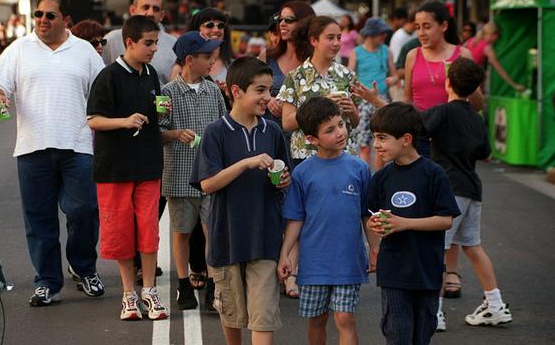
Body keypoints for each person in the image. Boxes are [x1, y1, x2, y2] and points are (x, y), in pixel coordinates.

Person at [0, 0, 105, 306]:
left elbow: (103, 92)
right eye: (38, 14)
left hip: (78, 146)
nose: (41, 20)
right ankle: (48, 282)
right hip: (32, 148)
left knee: (84, 211)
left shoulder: (85, 52)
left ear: (66, 20)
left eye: (49, 15)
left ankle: (83, 269)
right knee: (39, 220)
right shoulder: (18, 49)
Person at [190, 56, 291, 345]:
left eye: (269, 90)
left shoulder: (272, 131)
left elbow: (286, 176)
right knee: (231, 318)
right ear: (236, 91)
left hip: (265, 239)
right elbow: (207, 184)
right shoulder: (215, 132)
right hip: (227, 239)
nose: (267, 98)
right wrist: (246, 163)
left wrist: (284, 180)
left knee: (264, 318)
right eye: (260, 90)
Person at [86, 15, 169, 321]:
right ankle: (128, 294)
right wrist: (124, 120)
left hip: (147, 164)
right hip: (114, 168)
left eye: (156, 43)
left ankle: (149, 290)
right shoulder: (108, 76)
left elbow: (155, 112)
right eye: (148, 43)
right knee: (121, 233)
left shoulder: (151, 75)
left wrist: (162, 109)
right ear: (130, 42)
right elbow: (93, 119)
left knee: (148, 230)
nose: (153, 49)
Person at [278, 96, 378, 345]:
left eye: (341, 124)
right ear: (312, 139)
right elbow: (295, 218)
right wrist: (285, 254)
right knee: (317, 319)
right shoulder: (302, 173)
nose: (340, 133)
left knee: (345, 319)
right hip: (314, 263)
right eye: (330, 130)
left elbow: (367, 213)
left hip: (348, 260)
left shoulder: (360, 168)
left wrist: (375, 248)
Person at [422, 57, 512, 331]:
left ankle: (434, 312)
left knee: (437, 248)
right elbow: (486, 154)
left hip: (448, 189)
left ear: (448, 82)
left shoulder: (443, 112)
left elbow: (416, 127)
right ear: (475, 89)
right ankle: (495, 304)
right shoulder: (476, 117)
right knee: (473, 246)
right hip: (472, 188)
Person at [366, 102, 460, 345]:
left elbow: (446, 219)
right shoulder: (382, 178)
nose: (376, 145)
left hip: (427, 271)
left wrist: (404, 223)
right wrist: (375, 231)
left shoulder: (434, 174)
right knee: (398, 335)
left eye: (382, 138)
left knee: (422, 336)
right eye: (375, 137)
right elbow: (369, 216)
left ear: (406, 139)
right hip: (394, 272)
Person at [160, 31, 226, 311]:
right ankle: (184, 284)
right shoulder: (166, 93)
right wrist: (175, 134)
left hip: (211, 176)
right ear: (190, 60)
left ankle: (213, 286)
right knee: (181, 231)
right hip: (179, 176)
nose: (213, 61)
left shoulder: (214, 91)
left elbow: (225, 127)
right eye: (207, 57)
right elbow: (158, 131)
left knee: (212, 230)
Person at [403, 1, 484, 157]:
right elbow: (407, 99)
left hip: (454, 137)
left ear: (444, 26)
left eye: (427, 27)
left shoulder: (463, 55)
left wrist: (464, 80)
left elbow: (478, 104)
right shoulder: (413, 56)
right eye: (417, 27)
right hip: (421, 138)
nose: (421, 33)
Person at [278, 16, 361, 167]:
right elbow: (287, 123)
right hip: (306, 156)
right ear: (314, 41)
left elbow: (355, 123)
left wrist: (352, 111)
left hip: (343, 156)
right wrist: (320, 106)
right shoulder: (295, 77)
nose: (336, 43)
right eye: (330, 38)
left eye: (339, 37)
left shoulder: (348, 75)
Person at [348, 17, 398, 170]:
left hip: (382, 100)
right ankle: (366, 179)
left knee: (382, 143)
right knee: (364, 144)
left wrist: (393, 79)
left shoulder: (386, 50)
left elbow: (395, 75)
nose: (384, 37)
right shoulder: (356, 52)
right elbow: (350, 76)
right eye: (381, 34)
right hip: (363, 102)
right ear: (371, 34)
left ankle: (379, 178)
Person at [102, 0, 177, 86]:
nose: (150, 13)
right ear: (132, 10)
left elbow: (169, 91)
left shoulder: (174, 44)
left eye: (155, 9)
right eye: (145, 7)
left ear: (162, 15)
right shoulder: (111, 40)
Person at [265, 0, 316, 123]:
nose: (282, 24)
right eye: (280, 19)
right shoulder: (267, 56)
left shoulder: (316, 59)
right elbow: (250, 88)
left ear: (304, 22)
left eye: (289, 20)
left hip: (304, 134)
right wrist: (267, 99)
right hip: (270, 132)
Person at [464, 22, 525, 92]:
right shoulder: (487, 47)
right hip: (469, 80)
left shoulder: (472, 40)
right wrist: (514, 85)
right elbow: (498, 68)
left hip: (461, 76)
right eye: (498, 36)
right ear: (494, 35)